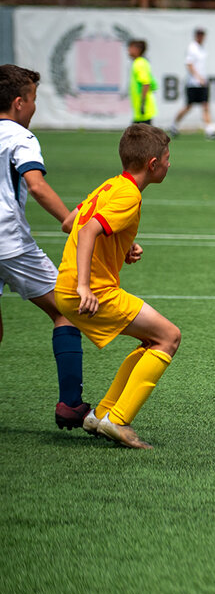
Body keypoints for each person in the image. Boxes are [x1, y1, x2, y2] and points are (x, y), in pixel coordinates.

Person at [55, 124, 180, 449]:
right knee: (169, 337)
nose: (170, 164)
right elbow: (86, 232)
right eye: (167, 158)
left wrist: (123, 244)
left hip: (64, 289)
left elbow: (71, 222)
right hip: (90, 292)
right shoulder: (128, 195)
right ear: (152, 164)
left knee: (152, 339)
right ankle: (118, 420)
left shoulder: (111, 186)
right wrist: (85, 286)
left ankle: (102, 415)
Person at [0, 65, 89, 430]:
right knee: (67, 310)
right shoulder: (21, 136)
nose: (34, 106)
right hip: (9, 242)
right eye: (34, 98)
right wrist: (69, 220)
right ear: (20, 102)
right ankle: (70, 404)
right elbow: (35, 185)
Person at [170, 28, 215, 139]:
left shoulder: (202, 48)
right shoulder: (192, 48)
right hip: (193, 83)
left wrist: (203, 79)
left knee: (205, 105)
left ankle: (209, 131)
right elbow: (189, 64)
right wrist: (198, 77)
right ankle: (174, 125)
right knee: (188, 106)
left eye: (203, 35)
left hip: (202, 83)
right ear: (196, 36)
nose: (201, 37)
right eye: (199, 35)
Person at [127, 40, 157, 125]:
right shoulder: (140, 62)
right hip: (141, 109)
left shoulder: (139, 63)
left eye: (130, 48)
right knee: (142, 136)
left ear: (137, 49)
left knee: (134, 135)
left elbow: (146, 83)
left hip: (143, 108)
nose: (128, 50)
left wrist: (142, 103)